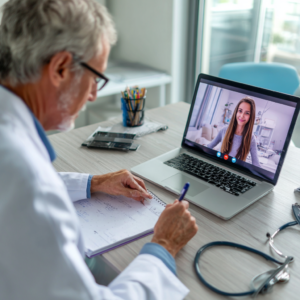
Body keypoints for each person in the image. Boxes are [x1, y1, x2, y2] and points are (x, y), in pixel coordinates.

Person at [0, 1, 198, 300]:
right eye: (96, 77)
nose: (93, 94)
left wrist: (93, 183)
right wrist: (164, 247)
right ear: (60, 68)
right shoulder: (26, 180)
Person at [207, 97, 261, 167]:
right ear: (236, 112)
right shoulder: (224, 130)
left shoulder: (251, 139)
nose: (241, 116)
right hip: (217, 166)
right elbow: (209, 147)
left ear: (251, 116)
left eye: (247, 113)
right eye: (240, 111)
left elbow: (256, 164)